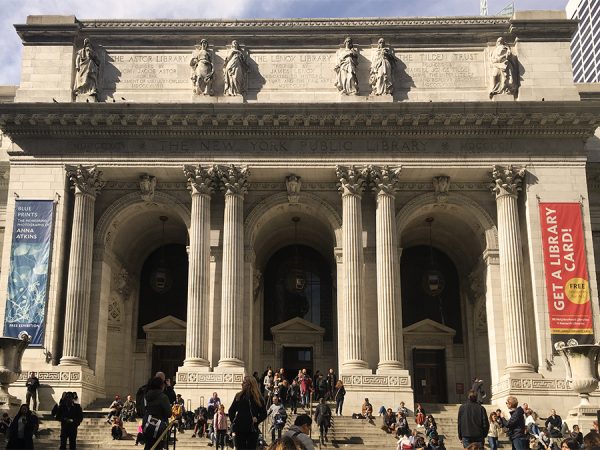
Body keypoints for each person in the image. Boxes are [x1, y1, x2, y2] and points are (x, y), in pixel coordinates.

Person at [228, 375, 268, 450]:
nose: (242, 384)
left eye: (244, 382)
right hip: (239, 429)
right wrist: (234, 422)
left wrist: (258, 419)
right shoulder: (238, 396)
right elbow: (231, 411)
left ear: (250, 385)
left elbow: (264, 414)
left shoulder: (258, 398)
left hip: (252, 430)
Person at [142, 376, 171, 450]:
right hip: (158, 426)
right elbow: (168, 413)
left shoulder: (146, 395)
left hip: (147, 424)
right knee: (158, 446)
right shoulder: (163, 397)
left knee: (148, 445)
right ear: (161, 385)